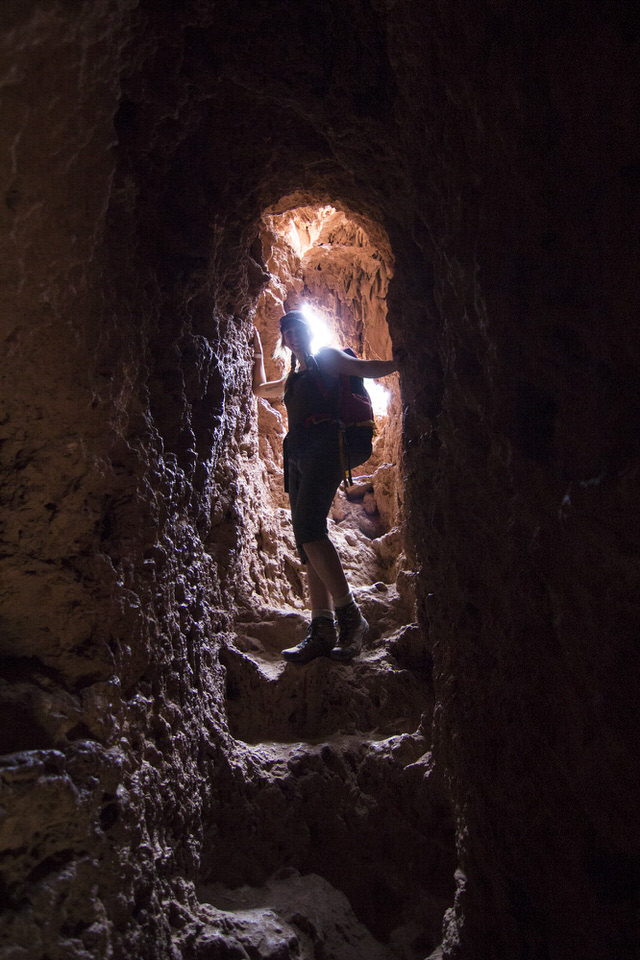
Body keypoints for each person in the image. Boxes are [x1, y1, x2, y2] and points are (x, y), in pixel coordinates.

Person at [252, 309, 398, 664]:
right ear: (284, 339)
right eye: (287, 332)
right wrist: (257, 350)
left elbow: (367, 368)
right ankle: (321, 628)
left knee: (310, 527)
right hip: (298, 452)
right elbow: (259, 389)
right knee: (305, 537)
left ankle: (351, 618)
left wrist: (406, 358)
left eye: (298, 329)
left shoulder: (327, 358)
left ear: (309, 333)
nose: (293, 336)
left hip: (329, 443)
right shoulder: (291, 379)